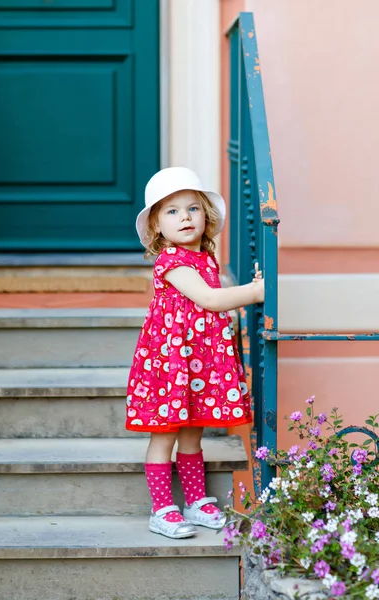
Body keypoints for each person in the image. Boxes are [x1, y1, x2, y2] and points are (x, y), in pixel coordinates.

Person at [126, 167, 264, 539]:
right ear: (156, 226)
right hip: (171, 361)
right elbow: (209, 299)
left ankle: (196, 501)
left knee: (192, 434)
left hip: (198, 359)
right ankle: (161, 509)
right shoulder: (170, 261)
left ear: (206, 216)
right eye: (171, 211)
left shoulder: (204, 258)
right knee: (165, 435)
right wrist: (254, 292)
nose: (184, 217)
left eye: (192, 208)